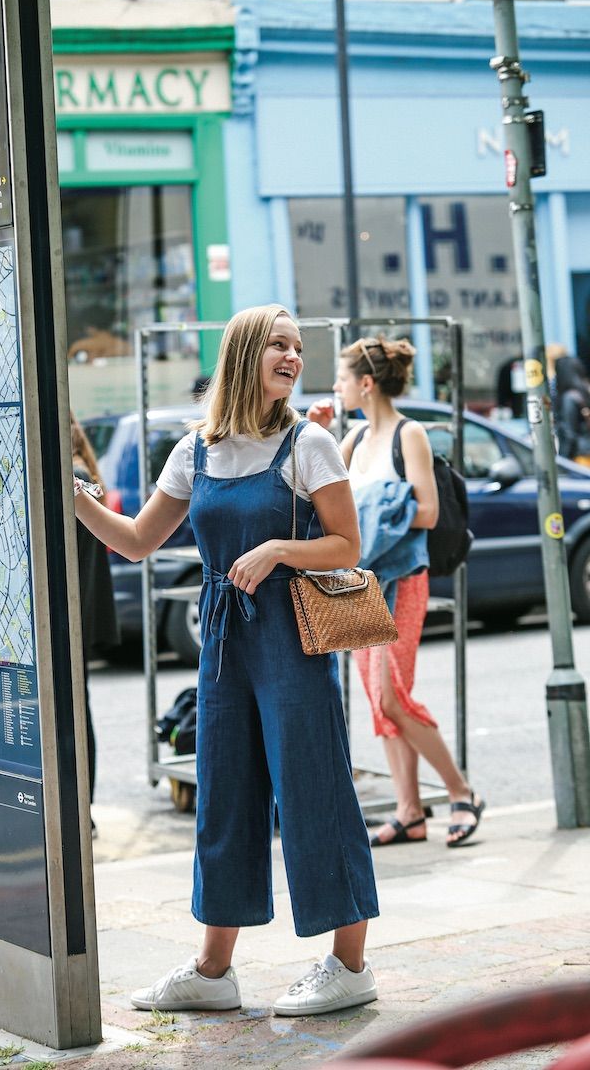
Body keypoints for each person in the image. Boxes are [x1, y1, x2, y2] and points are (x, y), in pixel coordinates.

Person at [74, 304, 379, 1016]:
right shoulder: (195, 450)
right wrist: (71, 493)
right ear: (243, 353)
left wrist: (277, 549)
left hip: (292, 634)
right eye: (278, 344)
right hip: (222, 641)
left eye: (297, 347)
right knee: (224, 793)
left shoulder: (309, 444)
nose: (293, 357)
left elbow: (347, 546)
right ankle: (214, 972)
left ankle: (350, 965)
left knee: (313, 789)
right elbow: (136, 541)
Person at [308, 336, 484, 849]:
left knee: (392, 695)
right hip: (362, 586)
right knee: (377, 699)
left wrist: (373, 508)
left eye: (342, 378)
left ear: (365, 383)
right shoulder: (353, 437)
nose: (336, 386)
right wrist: (319, 434)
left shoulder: (411, 435)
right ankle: (410, 812)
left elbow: (426, 511)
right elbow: (322, 499)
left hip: (403, 580)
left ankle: (461, 792)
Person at [70, 411, 120, 833]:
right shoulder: (83, 474)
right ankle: (80, 808)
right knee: (75, 709)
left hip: (70, 620)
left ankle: (79, 808)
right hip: (77, 618)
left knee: (70, 713)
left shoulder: (75, 479)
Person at [554, 356, 590, 465]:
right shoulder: (585, 393)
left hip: (580, 455)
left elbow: (569, 433)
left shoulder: (569, 398)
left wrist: (562, 460)